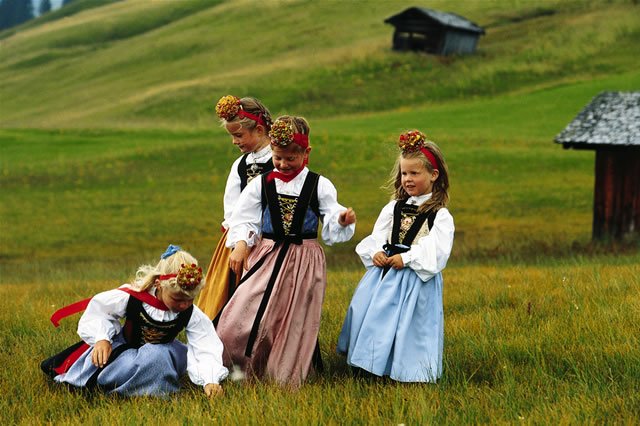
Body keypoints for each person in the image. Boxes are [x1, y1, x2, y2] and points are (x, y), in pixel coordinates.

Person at [215, 116, 357, 386]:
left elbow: (331, 214)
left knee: (291, 319)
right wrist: (241, 244)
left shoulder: (319, 185)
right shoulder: (263, 183)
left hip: (303, 259)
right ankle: (236, 367)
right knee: (242, 310)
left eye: (291, 158)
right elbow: (244, 216)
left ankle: (282, 374)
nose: (283, 164)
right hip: (266, 255)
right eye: (278, 158)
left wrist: (341, 220)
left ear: (306, 153)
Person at [336, 130, 454, 383]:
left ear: (434, 175)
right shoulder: (393, 208)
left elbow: (437, 250)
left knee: (410, 326)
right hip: (385, 275)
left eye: (414, 173)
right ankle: (369, 366)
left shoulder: (440, 215)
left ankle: (410, 372)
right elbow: (379, 235)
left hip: (414, 280)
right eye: (404, 173)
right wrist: (376, 252)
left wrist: (408, 258)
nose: (408, 179)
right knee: (374, 317)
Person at [41, 245, 228, 397]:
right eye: (178, 300)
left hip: (164, 354)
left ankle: (146, 390)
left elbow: (205, 343)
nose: (184, 305)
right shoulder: (134, 297)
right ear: (158, 285)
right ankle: (125, 386)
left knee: (156, 356)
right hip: (125, 351)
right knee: (116, 365)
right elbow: (100, 311)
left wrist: (210, 379)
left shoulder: (190, 313)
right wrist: (102, 338)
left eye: (190, 300)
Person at [197, 95, 275, 323]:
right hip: (239, 240)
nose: (234, 141)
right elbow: (232, 209)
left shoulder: (281, 160)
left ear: (259, 130)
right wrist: (241, 240)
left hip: (273, 240)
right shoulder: (240, 166)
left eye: (238, 135)